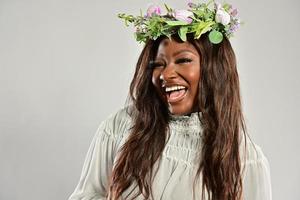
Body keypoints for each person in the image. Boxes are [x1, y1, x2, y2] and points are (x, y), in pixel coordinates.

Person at [68, 1, 272, 200]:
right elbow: (86, 195)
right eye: (158, 64)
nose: (166, 74)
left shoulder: (244, 157)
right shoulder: (121, 126)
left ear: (215, 69)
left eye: (183, 60)